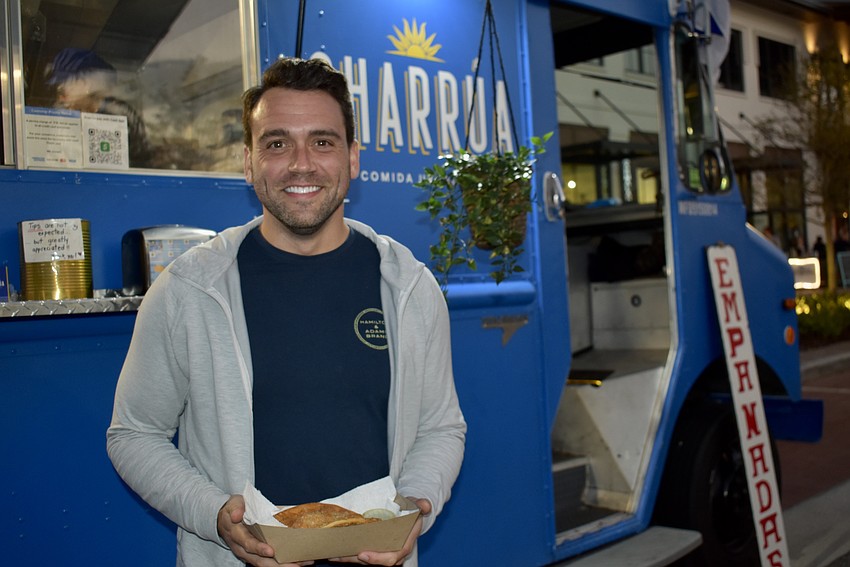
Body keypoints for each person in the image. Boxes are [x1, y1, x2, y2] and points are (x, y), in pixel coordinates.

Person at [106, 57, 466, 567]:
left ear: (353, 158)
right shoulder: (189, 288)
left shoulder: (409, 286)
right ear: (248, 161)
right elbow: (134, 434)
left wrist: (418, 506)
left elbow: (440, 427)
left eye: (323, 141)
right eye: (277, 143)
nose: (301, 163)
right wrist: (213, 513)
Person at [46, 47, 152, 167]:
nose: (61, 97)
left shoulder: (121, 114)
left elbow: (139, 159)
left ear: (86, 84)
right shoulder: (61, 116)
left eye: (63, 88)